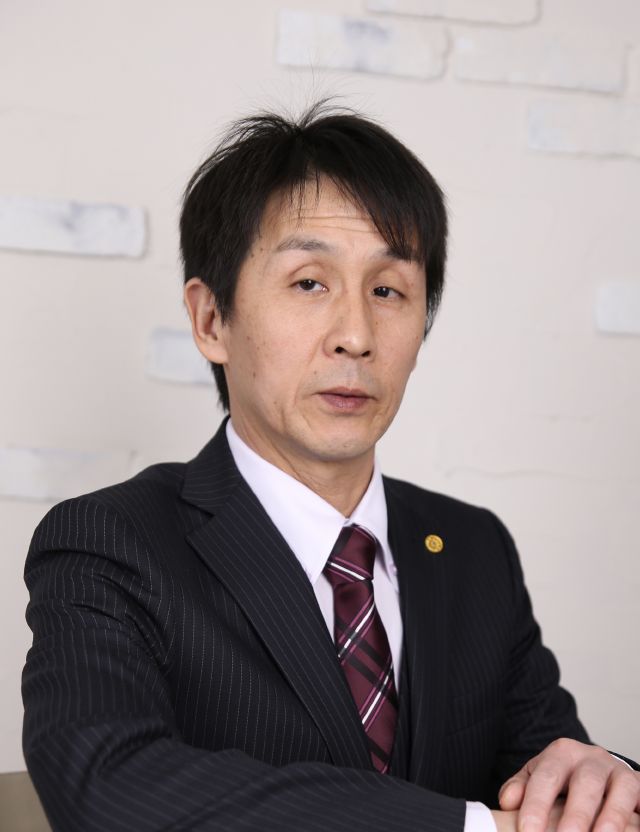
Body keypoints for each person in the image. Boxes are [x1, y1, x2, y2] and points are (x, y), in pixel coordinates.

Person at [22, 102, 639, 832]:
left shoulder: (474, 550)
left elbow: (556, 780)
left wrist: (605, 779)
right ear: (212, 320)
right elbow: (107, 785)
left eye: (388, 290)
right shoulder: (110, 542)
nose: (355, 335)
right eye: (309, 283)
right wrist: (468, 828)